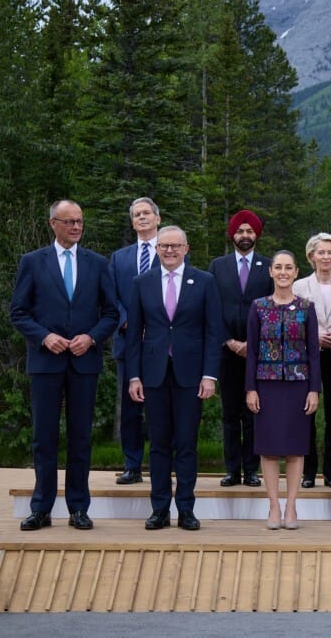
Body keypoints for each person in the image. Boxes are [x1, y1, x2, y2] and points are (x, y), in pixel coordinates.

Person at [10, 200, 118, 531]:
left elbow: (111, 313)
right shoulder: (32, 262)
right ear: (53, 224)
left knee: (80, 437)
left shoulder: (97, 263)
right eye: (69, 221)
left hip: (84, 362)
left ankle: (78, 508)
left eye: (80, 221)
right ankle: (41, 509)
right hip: (46, 362)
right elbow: (19, 313)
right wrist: (44, 337)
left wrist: (92, 337)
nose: (76, 227)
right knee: (44, 437)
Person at [127, 226, 223, 531]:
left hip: (191, 375)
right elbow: (133, 336)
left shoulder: (204, 281)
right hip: (153, 374)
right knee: (158, 445)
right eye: (164, 246)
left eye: (175, 246)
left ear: (186, 249)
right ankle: (159, 510)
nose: (169, 250)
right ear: (156, 249)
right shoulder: (142, 282)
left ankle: (185, 509)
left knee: (186, 444)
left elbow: (213, 331)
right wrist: (133, 376)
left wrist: (210, 375)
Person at [246, 251, 321, 530]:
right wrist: (250, 388)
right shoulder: (258, 307)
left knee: (295, 449)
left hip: (298, 385)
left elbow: (314, 353)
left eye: (288, 268)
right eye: (278, 267)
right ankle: (273, 506)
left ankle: (291, 506)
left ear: (296, 272)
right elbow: (252, 352)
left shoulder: (306, 307)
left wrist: (314, 390)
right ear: (271, 272)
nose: (283, 272)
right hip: (266, 384)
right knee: (268, 449)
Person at [209, 210, 273, 488]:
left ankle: (251, 470)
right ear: (232, 234)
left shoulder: (268, 266)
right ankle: (232, 470)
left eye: (249, 231)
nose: (245, 236)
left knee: (254, 412)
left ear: (256, 234)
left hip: (258, 352)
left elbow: (273, 307)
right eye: (240, 231)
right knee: (230, 413)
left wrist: (254, 343)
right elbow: (211, 307)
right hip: (227, 350)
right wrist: (229, 341)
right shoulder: (217, 266)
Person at [107, 197, 162, 485]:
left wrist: (151, 325)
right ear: (132, 222)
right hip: (128, 341)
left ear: (157, 218)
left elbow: (177, 293)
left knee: (160, 408)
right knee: (130, 408)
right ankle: (132, 465)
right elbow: (111, 296)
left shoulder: (171, 250)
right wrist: (129, 321)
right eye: (137, 214)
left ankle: (161, 466)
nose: (142, 217)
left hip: (160, 343)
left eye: (146, 213)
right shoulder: (119, 258)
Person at [293, 233, 331, 489]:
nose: (326, 256)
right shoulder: (299, 287)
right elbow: (294, 322)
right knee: (306, 414)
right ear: (312, 256)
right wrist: (314, 336)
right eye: (321, 252)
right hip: (308, 355)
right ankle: (308, 473)